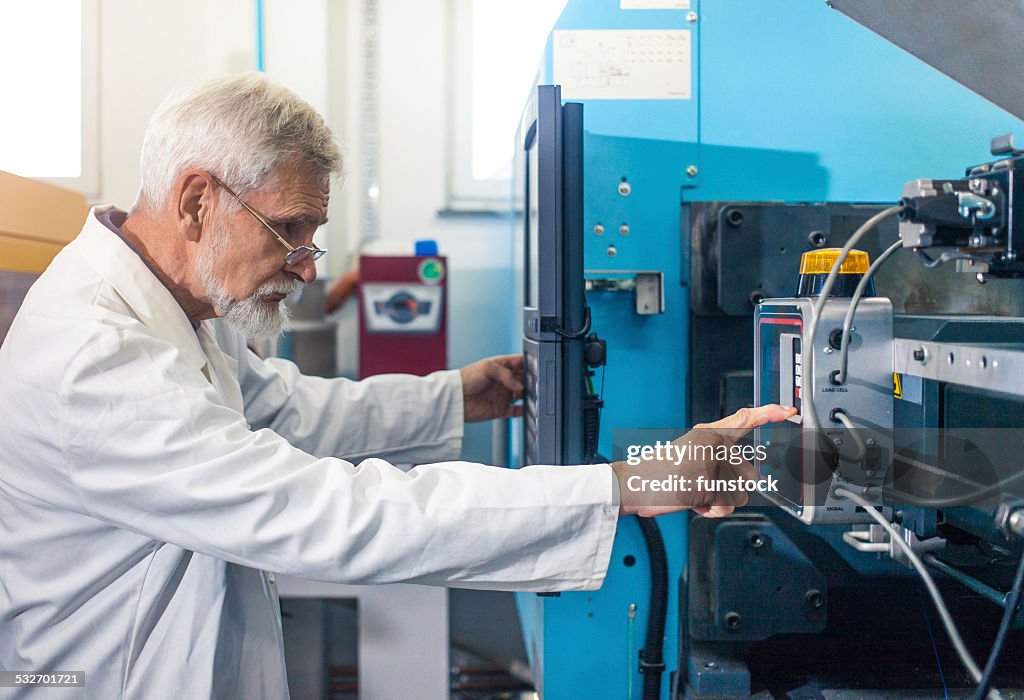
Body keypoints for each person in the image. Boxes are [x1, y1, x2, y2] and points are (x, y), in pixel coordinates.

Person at [0, 73, 793, 699]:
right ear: (198, 200)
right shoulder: (96, 357)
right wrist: (631, 484)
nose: (309, 265)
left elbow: (286, 413)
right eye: (291, 231)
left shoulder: (176, 304)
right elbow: (326, 510)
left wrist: (457, 395)